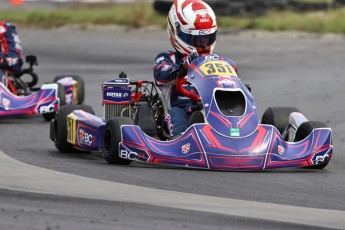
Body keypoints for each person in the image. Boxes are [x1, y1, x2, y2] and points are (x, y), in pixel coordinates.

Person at [154, 0, 237, 137]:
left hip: (214, 107)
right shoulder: (167, 58)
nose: (203, 44)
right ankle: (181, 139)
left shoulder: (220, 61)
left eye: (207, 38)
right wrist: (183, 67)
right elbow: (161, 74)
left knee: (234, 108)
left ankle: (247, 135)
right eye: (196, 39)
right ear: (176, 32)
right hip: (182, 107)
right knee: (177, 114)